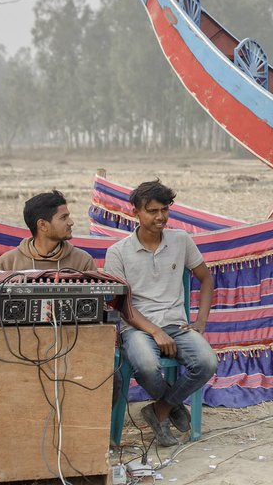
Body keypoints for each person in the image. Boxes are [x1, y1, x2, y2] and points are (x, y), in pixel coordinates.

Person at [0, 190, 96, 478]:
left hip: (70, 346)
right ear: (42, 225)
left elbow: (99, 306)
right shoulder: (9, 262)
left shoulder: (81, 261)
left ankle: (91, 442)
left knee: (113, 376)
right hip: (16, 346)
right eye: (64, 217)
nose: (71, 222)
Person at [104, 180, 217, 447]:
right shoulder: (117, 252)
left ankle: (160, 409)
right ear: (136, 212)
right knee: (145, 365)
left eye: (164, 210)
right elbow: (121, 305)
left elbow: (207, 279)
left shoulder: (181, 240)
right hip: (138, 328)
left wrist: (200, 323)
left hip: (177, 325)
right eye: (152, 211)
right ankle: (173, 407)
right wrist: (155, 332)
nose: (160, 217)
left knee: (208, 362)